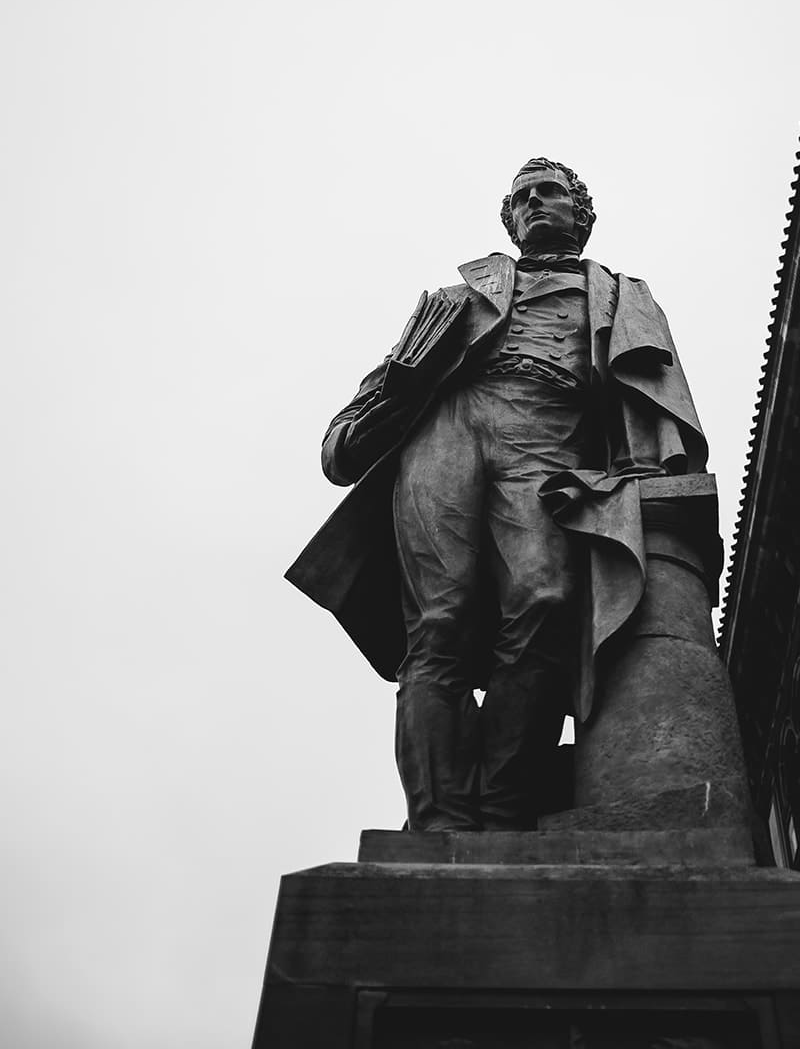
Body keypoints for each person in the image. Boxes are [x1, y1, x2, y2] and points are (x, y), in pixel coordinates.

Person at [287, 158, 707, 830]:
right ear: (509, 220)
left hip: (550, 431)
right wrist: (394, 395)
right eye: (521, 198)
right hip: (448, 428)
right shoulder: (455, 299)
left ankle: (504, 805)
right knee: (439, 623)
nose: (533, 203)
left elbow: (651, 401)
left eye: (549, 193)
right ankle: (440, 819)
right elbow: (345, 441)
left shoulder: (619, 294)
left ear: (581, 213)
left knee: (544, 600)